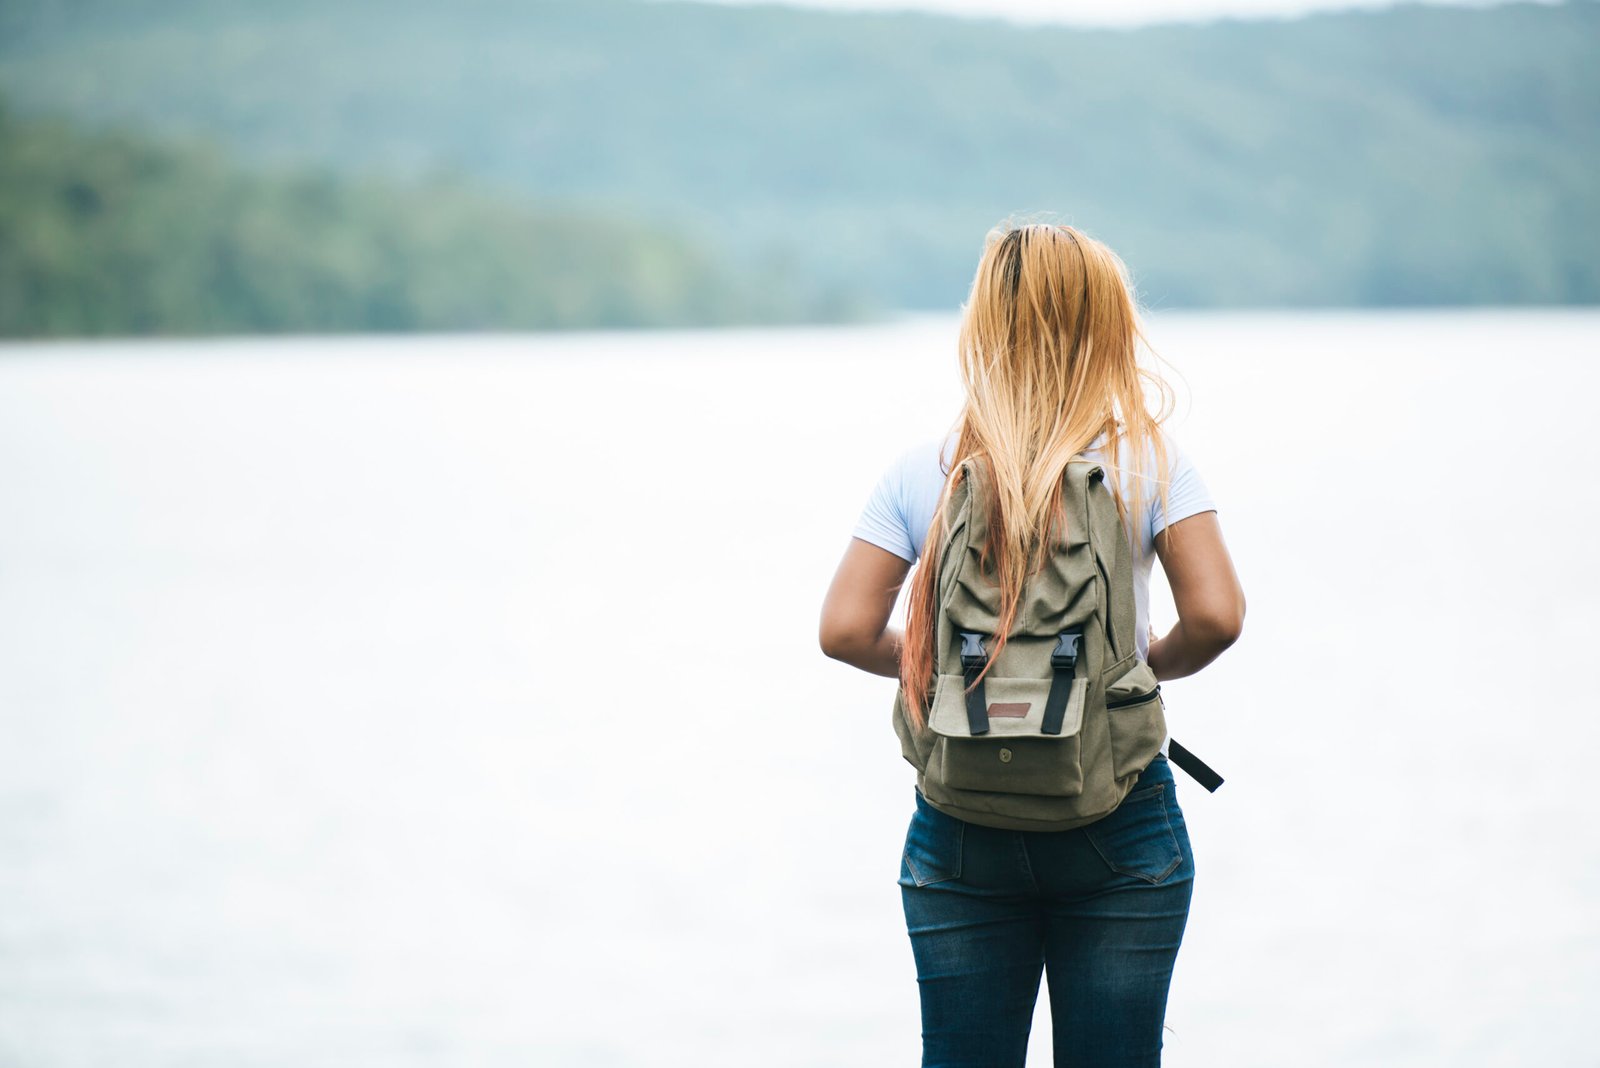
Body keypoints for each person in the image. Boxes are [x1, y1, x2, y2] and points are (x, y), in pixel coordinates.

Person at [817, 222, 1246, 1067]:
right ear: (1106, 324)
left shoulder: (928, 468)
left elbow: (845, 631)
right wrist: (1131, 671)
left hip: (961, 820)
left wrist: (944, 673)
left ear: (983, 326)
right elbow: (1217, 618)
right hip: (1118, 813)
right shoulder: (1148, 463)